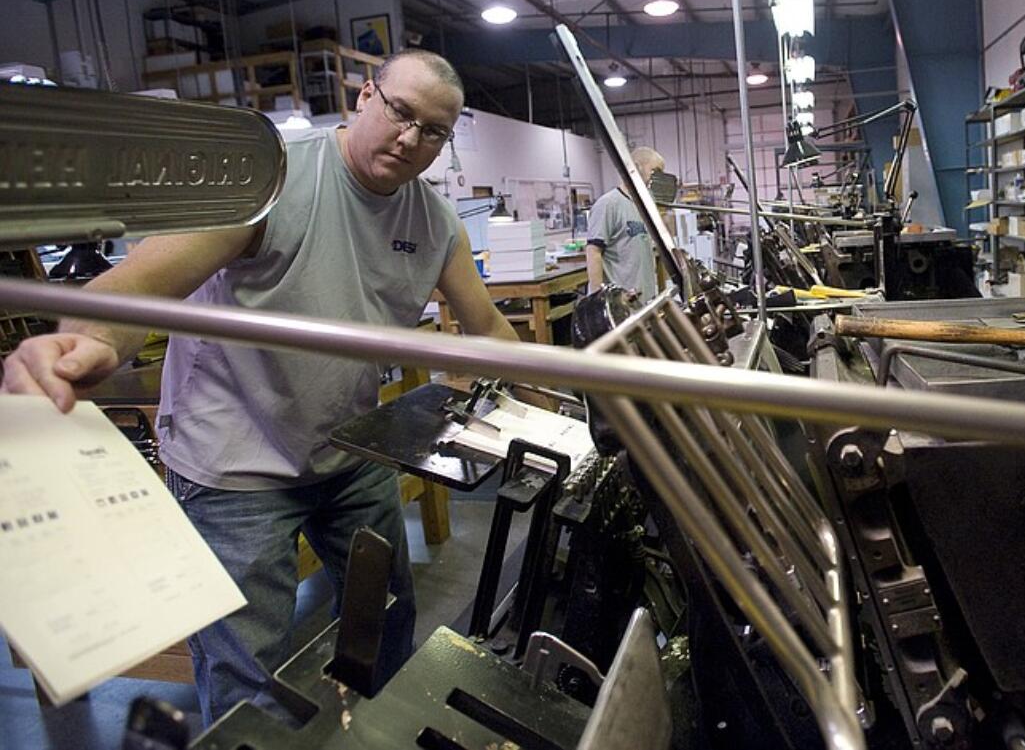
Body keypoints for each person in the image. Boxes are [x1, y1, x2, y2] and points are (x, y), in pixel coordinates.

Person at [0, 49, 523, 724]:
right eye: (401, 113)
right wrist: (91, 340)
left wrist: (574, 392)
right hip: (234, 463)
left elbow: (486, 328)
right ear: (365, 96)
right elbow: (135, 293)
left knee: (385, 616)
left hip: (346, 453)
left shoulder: (434, 224)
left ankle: (379, 735)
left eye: (433, 132)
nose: (410, 138)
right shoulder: (268, 181)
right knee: (251, 677)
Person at [585, 146, 665, 301]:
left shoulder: (645, 205)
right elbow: (593, 252)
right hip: (622, 303)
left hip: (644, 299)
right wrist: (598, 299)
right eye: (654, 171)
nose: (658, 179)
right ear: (636, 167)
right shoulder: (608, 204)